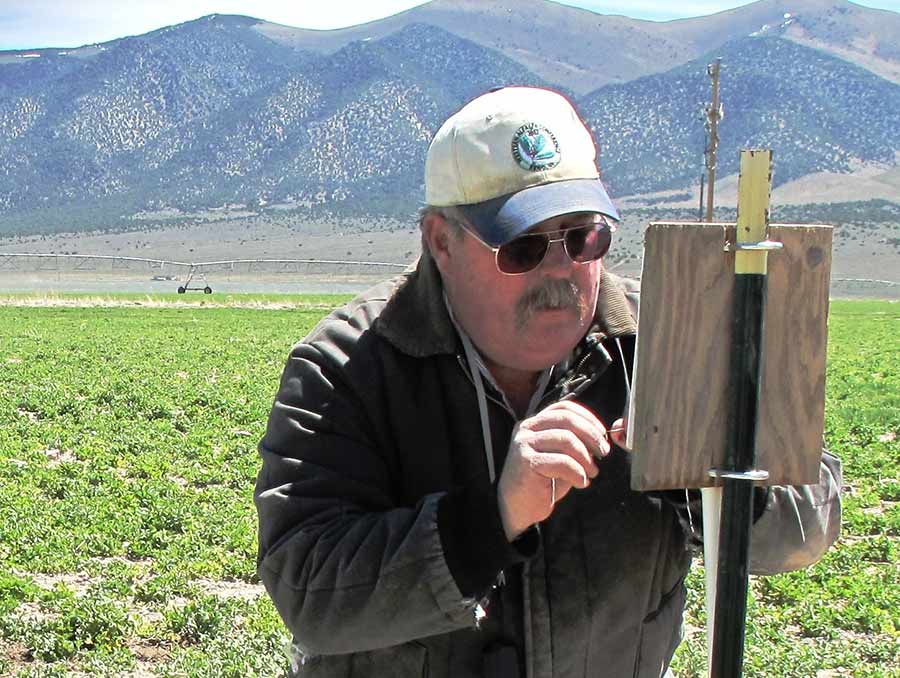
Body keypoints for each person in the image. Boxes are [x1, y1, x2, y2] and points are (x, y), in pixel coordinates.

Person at [255, 86, 842, 678]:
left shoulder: (665, 343)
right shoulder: (348, 366)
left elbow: (807, 521)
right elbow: (306, 592)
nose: (561, 266)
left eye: (584, 237)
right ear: (442, 243)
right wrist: (489, 521)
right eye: (524, 245)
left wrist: (702, 475)